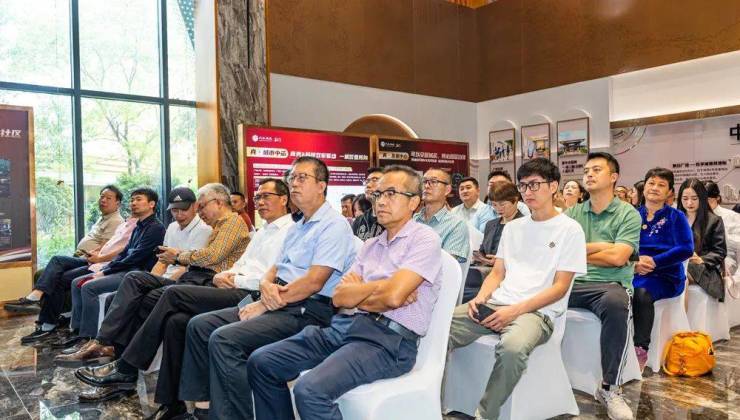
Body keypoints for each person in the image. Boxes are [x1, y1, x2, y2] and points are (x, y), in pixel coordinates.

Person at [75, 179, 295, 413]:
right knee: (175, 321)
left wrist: (222, 274)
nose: (260, 202)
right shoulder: (262, 231)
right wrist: (226, 274)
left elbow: (262, 274)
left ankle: (126, 367)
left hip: (245, 292)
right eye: (258, 197)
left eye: (266, 196)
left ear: (284, 199)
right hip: (224, 282)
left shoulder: (284, 229)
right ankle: (171, 404)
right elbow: (240, 264)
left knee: (168, 294)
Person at [248, 164, 443, 420]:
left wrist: (363, 292)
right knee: (262, 361)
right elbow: (340, 298)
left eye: (391, 194)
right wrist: (383, 286)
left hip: (387, 341)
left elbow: (393, 297)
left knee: (309, 390)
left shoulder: (424, 239)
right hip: (347, 327)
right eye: (378, 194)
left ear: (414, 202)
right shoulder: (371, 246)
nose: (381, 201)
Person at [176, 157, 356, 420]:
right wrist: (265, 286)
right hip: (278, 299)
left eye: (302, 178)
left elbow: (314, 282)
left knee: (224, 340)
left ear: (322, 185)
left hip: (308, 310)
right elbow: (274, 268)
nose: (294, 184)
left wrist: (264, 302)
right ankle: (204, 409)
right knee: (200, 325)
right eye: (292, 178)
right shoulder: (298, 226)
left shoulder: (333, 225)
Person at [446, 158, 587, 420]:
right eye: (523, 186)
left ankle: (485, 414)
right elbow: (497, 273)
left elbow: (559, 288)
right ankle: (429, 399)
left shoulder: (570, 230)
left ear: (553, 186)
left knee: (512, 349)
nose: (528, 191)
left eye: (534, 184)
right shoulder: (512, 228)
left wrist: (514, 311)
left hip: (538, 313)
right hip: (497, 303)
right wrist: (481, 298)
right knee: (438, 328)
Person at [60, 183, 249, 368]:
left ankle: (117, 356)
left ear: (218, 203)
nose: (199, 212)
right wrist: (159, 275)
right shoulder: (205, 226)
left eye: (201, 206)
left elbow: (209, 257)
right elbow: (161, 259)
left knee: (139, 286)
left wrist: (176, 258)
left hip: (203, 281)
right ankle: (111, 349)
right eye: (174, 210)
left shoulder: (228, 223)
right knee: (127, 288)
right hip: (194, 277)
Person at [564, 152, 641, 420]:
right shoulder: (573, 213)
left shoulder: (628, 214)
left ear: (613, 177)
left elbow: (619, 257)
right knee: (534, 294)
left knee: (617, 304)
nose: (589, 174)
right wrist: (603, 246)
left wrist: (580, 251)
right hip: (572, 282)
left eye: (596, 169)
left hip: (609, 285)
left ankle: (610, 388)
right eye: (586, 170)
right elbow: (560, 252)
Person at [54, 188, 166, 353]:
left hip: (137, 274)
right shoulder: (138, 226)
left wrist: (106, 271)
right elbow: (124, 252)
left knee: (88, 287)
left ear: (151, 204)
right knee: (76, 282)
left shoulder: (156, 228)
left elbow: (135, 257)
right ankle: (77, 331)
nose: (133, 203)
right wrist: (107, 268)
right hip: (125, 269)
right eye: (132, 200)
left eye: (138, 199)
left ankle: (88, 337)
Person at [6, 185, 125, 315]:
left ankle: (38, 300)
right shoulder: (103, 218)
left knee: (57, 262)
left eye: (108, 198)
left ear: (117, 203)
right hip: (81, 257)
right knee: (42, 273)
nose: (103, 200)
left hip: (91, 261)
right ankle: (41, 307)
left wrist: (89, 255)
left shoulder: (116, 221)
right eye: (102, 197)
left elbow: (106, 246)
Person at [631, 168, 694, 371]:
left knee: (641, 293)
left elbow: (686, 249)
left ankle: (640, 348)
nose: (655, 188)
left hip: (665, 276)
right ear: (644, 187)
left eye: (661, 185)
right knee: (612, 292)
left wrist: (654, 262)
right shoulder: (632, 215)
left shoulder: (676, 217)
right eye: (651, 183)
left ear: (669, 192)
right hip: (633, 270)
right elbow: (620, 244)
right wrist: (634, 263)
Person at [463, 181, 525, 303]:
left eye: (502, 204)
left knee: (469, 292)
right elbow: (483, 249)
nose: (498, 209)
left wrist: (500, 261)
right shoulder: (491, 224)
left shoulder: (524, 224)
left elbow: (525, 258)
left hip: (508, 277)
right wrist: (479, 256)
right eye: (494, 205)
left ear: (515, 200)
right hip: (484, 271)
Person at [678, 178, 727, 304]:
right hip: (678, 263)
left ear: (702, 198)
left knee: (680, 277)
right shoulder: (675, 218)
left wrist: (701, 259)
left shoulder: (713, 220)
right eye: (685, 198)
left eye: (694, 198)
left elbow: (720, 251)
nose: (689, 203)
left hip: (704, 269)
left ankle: (681, 317)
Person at [414, 168, 470, 263]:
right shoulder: (412, 220)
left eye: (434, 181)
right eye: (424, 181)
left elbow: (446, 264)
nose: (427, 186)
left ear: (447, 190)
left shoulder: (457, 225)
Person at [704, 180, 740, 278]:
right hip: (700, 259)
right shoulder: (694, 217)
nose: (705, 204)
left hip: (727, 259)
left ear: (718, 198)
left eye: (709, 200)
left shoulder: (732, 216)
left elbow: (737, 247)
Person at [352, 167, 385, 240]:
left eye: (375, 180)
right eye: (367, 181)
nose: (368, 185)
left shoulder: (396, 219)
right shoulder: (359, 221)